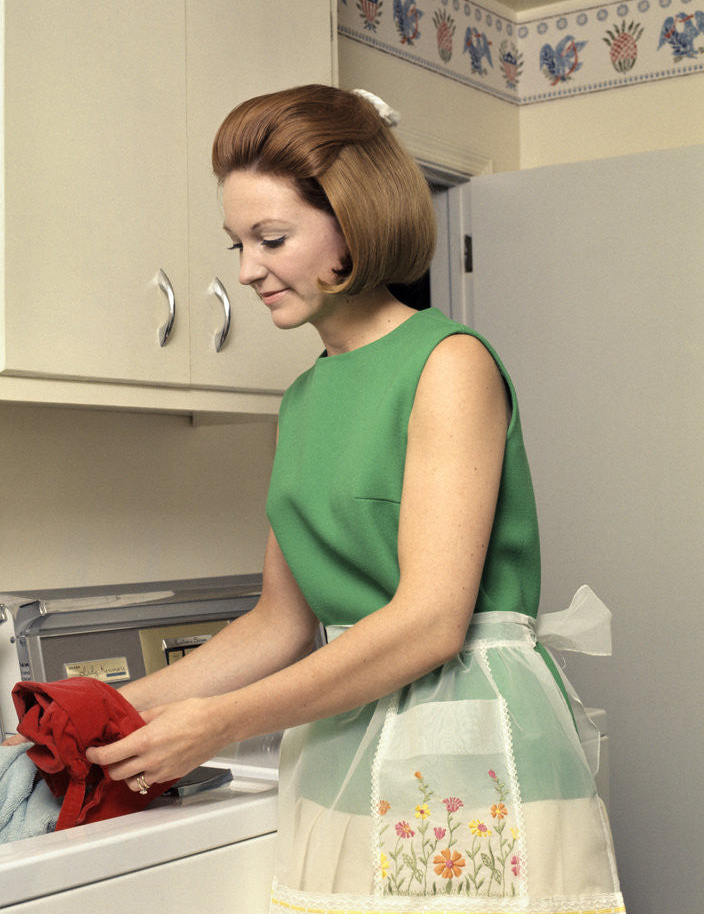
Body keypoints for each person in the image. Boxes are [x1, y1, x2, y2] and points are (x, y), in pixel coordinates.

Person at [76, 84, 624, 912]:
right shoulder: (301, 403)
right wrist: (95, 713)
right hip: (349, 741)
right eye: (237, 243)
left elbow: (431, 621)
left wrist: (216, 724)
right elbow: (280, 625)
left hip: (463, 739)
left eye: (271, 238)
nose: (247, 270)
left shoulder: (449, 365)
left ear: (353, 222)